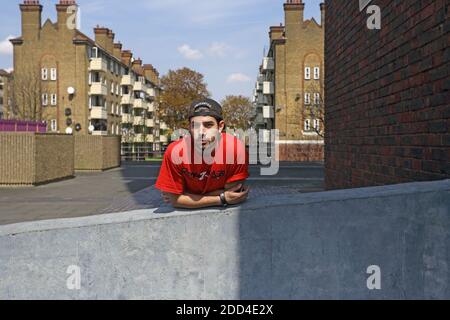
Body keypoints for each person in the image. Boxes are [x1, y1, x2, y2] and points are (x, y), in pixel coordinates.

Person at [155, 98, 250, 209]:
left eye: (208, 125)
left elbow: (234, 193)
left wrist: (184, 195)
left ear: (220, 126)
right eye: (195, 126)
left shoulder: (236, 149)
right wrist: (221, 198)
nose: (201, 132)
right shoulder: (175, 151)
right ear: (189, 127)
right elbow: (175, 200)